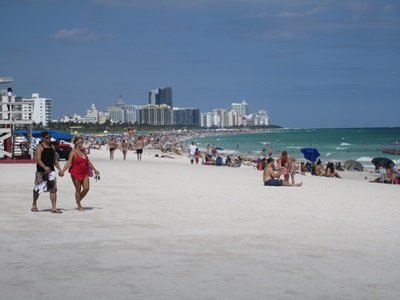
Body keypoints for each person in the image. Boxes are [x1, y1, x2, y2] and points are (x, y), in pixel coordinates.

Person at [61, 136, 100, 211]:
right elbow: (69, 162)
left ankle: (78, 200)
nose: (81, 144)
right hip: (75, 173)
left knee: (86, 188)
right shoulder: (73, 152)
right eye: (79, 142)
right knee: (78, 190)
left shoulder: (83, 151)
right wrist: (63, 171)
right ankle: (79, 205)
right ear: (75, 143)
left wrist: (95, 170)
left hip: (84, 173)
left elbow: (88, 162)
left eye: (82, 142)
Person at [31, 131, 64, 213]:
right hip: (41, 172)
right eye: (47, 137)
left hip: (51, 172)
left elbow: (55, 160)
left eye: (50, 137)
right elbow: (38, 159)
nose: (49, 139)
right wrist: (44, 166)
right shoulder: (40, 147)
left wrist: (60, 170)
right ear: (43, 138)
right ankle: (34, 204)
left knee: (53, 189)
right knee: (37, 189)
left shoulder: (52, 147)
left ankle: (54, 208)